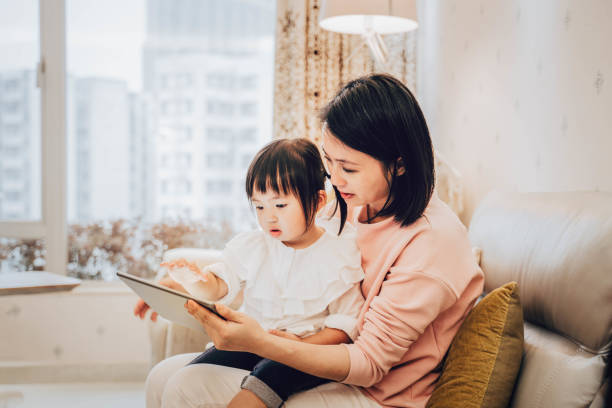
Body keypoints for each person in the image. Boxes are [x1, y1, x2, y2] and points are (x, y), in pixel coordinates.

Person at [145, 73, 485, 408]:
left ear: (398, 165)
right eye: (329, 162)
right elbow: (281, 251)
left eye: (348, 168)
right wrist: (185, 285)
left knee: (187, 385)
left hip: (376, 393)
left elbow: (368, 364)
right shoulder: (353, 204)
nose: (334, 180)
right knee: (163, 376)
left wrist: (264, 343)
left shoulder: (431, 244)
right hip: (317, 359)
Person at [137, 138, 365, 408]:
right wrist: (191, 280)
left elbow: (344, 327)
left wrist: (300, 346)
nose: (268, 217)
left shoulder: (339, 252)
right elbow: (218, 286)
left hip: (305, 353)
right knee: (185, 373)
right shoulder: (255, 246)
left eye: (280, 206)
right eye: (259, 206)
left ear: (317, 201)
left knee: (275, 371)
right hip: (252, 344)